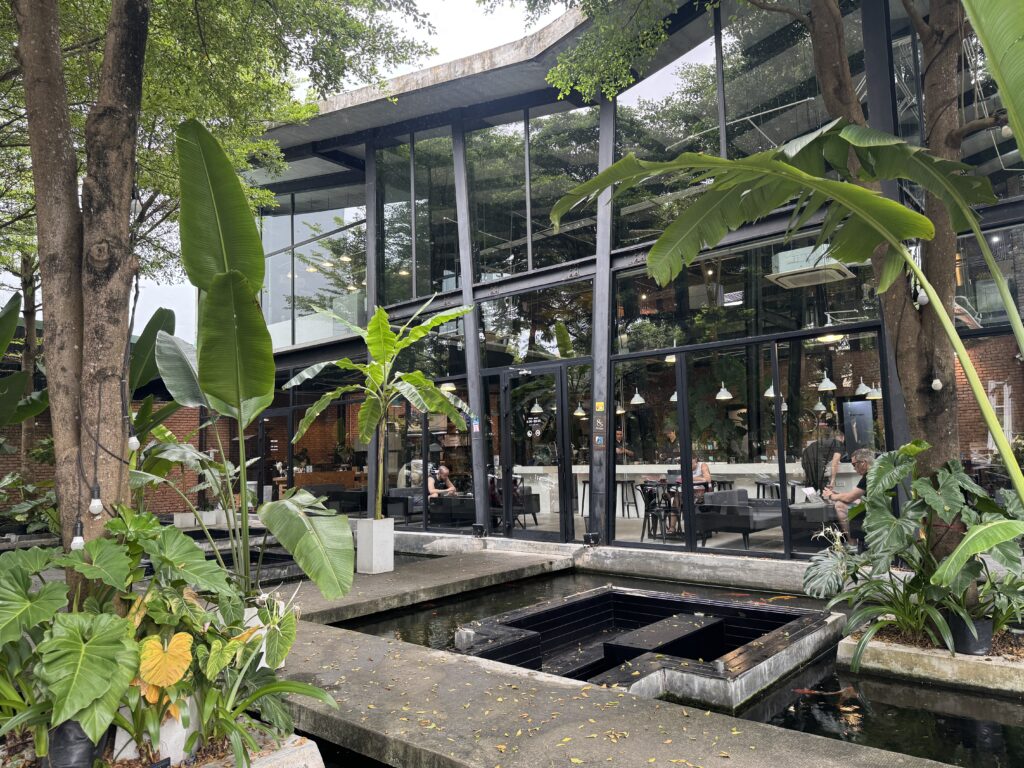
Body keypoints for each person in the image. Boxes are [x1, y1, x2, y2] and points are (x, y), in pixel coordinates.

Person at [822, 448, 873, 537]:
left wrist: (831, 496)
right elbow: (855, 494)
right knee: (847, 501)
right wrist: (836, 494)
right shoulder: (875, 471)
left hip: (873, 510)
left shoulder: (869, 476)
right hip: (876, 505)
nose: (854, 468)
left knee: (840, 505)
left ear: (863, 463)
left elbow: (849, 497)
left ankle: (851, 542)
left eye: (854, 464)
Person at [801, 427, 842, 492]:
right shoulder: (838, 444)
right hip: (813, 457)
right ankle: (822, 495)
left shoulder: (826, 442)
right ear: (842, 437)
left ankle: (811, 496)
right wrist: (832, 481)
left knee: (811, 482)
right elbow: (835, 463)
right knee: (820, 482)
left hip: (806, 455)